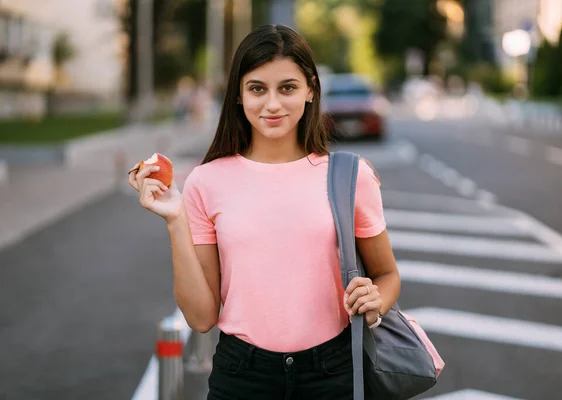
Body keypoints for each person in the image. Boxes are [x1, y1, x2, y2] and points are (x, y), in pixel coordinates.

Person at [128, 24, 400, 400]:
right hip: (241, 376)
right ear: (238, 96)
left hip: (332, 373)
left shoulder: (351, 176)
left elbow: (387, 275)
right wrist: (175, 220)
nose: (272, 104)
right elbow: (202, 317)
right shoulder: (207, 182)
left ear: (310, 91)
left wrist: (376, 300)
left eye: (287, 87)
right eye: (257, 88)